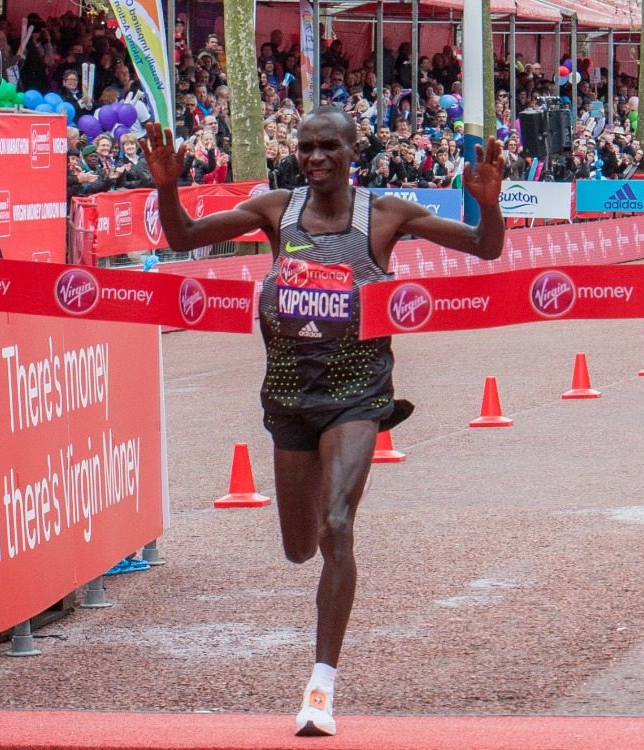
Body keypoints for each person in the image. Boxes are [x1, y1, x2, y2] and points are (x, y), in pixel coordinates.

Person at [142, 105, 504, 737]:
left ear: (351, 150)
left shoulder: (385, 215)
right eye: (306, 149)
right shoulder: (276, 211)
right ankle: (316, 601)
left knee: (338, 525)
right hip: (290, 397)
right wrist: (168, 186)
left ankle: (320, 688)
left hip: (358, 395)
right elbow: (182, 239)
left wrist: (488, 205)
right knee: (299, 546)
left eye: (328, 148)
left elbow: (485, 247)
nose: (315, 159)